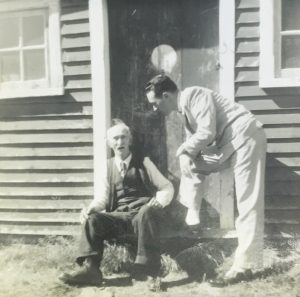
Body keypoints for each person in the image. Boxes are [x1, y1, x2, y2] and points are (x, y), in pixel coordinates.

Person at [145, 74, 267, 285]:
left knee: (248, 201)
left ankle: (245, 266)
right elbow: (198, 142)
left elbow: (207, 132)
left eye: (155, 104)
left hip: (246, 137)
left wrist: (184, 151)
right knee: (190, 163)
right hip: (227, 145)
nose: (154, 109)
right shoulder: (183, 112)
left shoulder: (194, 94)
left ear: (165, 96)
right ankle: (191, 212)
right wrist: (188, 155)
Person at [59, 120, 174, 289]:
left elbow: (166, 186)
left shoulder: (144, 162)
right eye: (115, 138)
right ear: (109, 142)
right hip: (119, 217)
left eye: (123, 137)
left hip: (142, 215)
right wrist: (91, 208)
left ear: (130, 140)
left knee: (147, 213)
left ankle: (146, 270)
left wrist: (159, 200)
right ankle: (91, 270)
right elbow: (102, 198)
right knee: (92, 219)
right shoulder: (106, 167)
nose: (120, 142)